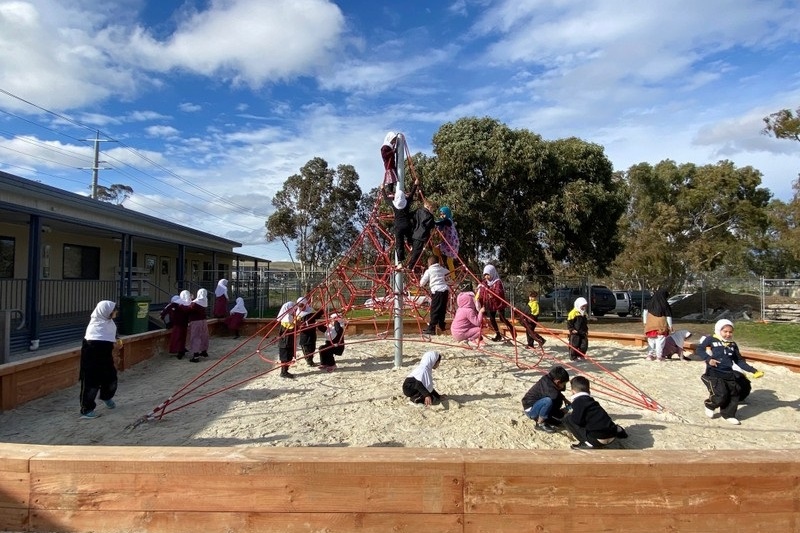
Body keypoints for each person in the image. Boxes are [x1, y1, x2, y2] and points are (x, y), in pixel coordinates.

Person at [696, 319, 764, 425]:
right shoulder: (711, 339)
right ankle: (710, 405)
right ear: (719, 330)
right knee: (721, 394)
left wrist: (753, 370)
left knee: (734, 394)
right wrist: (709, 359)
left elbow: (739, 360)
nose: (728, 334)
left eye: (730, 332)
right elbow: (699, 349)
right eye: (725, 331)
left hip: (728, 373)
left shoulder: (732, 344)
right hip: (714, 373)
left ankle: (728, 415)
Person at [79, 300, 120, 419]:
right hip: (92, 356)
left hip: (105, 356)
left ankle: (106, 396)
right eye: (114, 310)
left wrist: (116, 342)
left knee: (111, 378)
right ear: (106, 311)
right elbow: (95, 343)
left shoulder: (109, 323)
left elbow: (112, 336)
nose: (116, 312)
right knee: (91, 382)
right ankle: (86, 409)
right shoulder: (95, 326)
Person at [564, 376, 628, 449]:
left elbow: (577, 421)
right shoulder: (592, 401)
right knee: (600, 421)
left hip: (598, 440)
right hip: (612, 435)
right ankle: (620, 431)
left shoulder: (577, 402)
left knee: (568, 419)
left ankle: (587, 443)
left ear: (572, 391)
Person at [521, 366, 570, 434]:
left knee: (557, 399)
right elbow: (554, 399)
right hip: (530, 409)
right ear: (558, 381)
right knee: (548, 401)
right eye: (564, 384)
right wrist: (562, 413)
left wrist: (565, 399)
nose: (564, 386)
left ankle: (548, 419)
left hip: (537, 404)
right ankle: (540, 423)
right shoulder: (549, 387)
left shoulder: (550, 380)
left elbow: (558, 395)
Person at [381, 179, 419, 264]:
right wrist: (415, 184)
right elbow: (412, 194)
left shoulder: (394, 204)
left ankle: (400, 262)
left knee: (399, 244)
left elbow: (386, 198)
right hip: (407, 224)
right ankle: (412, 245)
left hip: (398, 226)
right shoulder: (407, 202)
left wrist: (382, 189)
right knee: (410, 237)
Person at [476, 264, 515, 342]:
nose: (486, 277)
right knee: (492, 318)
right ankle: (498, 334)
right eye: (485, 275)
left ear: (492, 273)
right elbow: (482, 291)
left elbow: (499, 292)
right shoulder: (485, 282)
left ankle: (511, 328)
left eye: (488, 274)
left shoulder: (497, 282)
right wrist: (481, 289)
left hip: (498, 303)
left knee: (502, 318)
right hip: (490, 303)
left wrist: (491, 292)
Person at [419, 256, 450, 335]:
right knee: (442, 309)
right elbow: (448, 273)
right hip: (445, 291)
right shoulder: (442, 269)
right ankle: (441, 325)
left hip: (437, 291)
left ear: (430, 263)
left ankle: (432, 329)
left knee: (434, 310)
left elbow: (422, 283)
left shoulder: (429, 271)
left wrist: (421, 281)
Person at [643, 289, 673, 360]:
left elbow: (645, 313)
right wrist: (670, 326)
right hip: (661, 325)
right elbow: (668, 316)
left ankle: (649, 355)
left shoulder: (650, 303)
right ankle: (659, 356)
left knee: (651, 340)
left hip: (650, 324)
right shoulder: (665, 304)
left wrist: (645, 322)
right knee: (660, 341)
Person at [406, 200, 436, 271]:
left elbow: (410, 216)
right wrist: (432, 218)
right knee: (417, 252)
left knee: (415, 250)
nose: (433, 211)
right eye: (433, 209)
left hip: (414, 234)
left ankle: (410, 265)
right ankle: (410, 266)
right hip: (421, 236)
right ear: (430, 207)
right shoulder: (429, 216)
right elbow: (430, 225)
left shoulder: (418, 211)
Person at [295, 296, 325, 367]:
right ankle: (309, 361)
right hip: (304, 334)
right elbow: (295, 323)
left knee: (312, 347)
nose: (301, 307)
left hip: (311, 332)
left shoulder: (311, 311)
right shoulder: (297, 314)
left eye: (302, 306)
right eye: (299, 306)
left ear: (305, 304)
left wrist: (322, 306)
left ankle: (311, 360)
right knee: (305, 347)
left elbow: (318, 314)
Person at [432, 206, 460, 277]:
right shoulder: (444, 223)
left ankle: (453, 277)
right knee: (435, 249)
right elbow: (439, 227)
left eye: (443, 214)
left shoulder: (448, 221)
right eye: (441, 214)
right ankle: (441, 265)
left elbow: (439, 222)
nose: (442, 216)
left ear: (447, 214)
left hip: (452, 244)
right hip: (446, 243)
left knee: (449, 260)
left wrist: (431, 220)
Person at [187, 288, 210, 362]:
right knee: (204, 336)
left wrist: (189, 300)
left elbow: (188, 310)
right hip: (203, 321)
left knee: (195, 337)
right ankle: (204, 351)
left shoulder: (195, 303)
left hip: (196, 322)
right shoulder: (205, 301)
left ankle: (196, 355)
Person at [276, 301, 298, 378]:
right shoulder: (286, 319)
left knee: (288, 357)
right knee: (285, 357)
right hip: (285, 342)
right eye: (293, 309)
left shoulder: (288, 317)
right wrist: (297, 324)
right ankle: (283, 372)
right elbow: (291, 329)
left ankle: (285, 371)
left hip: (288, 341)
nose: (294, 310)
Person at [173, 289, 193, 360]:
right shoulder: (184, 304)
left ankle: (181, 351)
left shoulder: (180, 303)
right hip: (181, 323)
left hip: (181, 323)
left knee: (181, 337)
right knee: (180, 337)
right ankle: (180, 351)